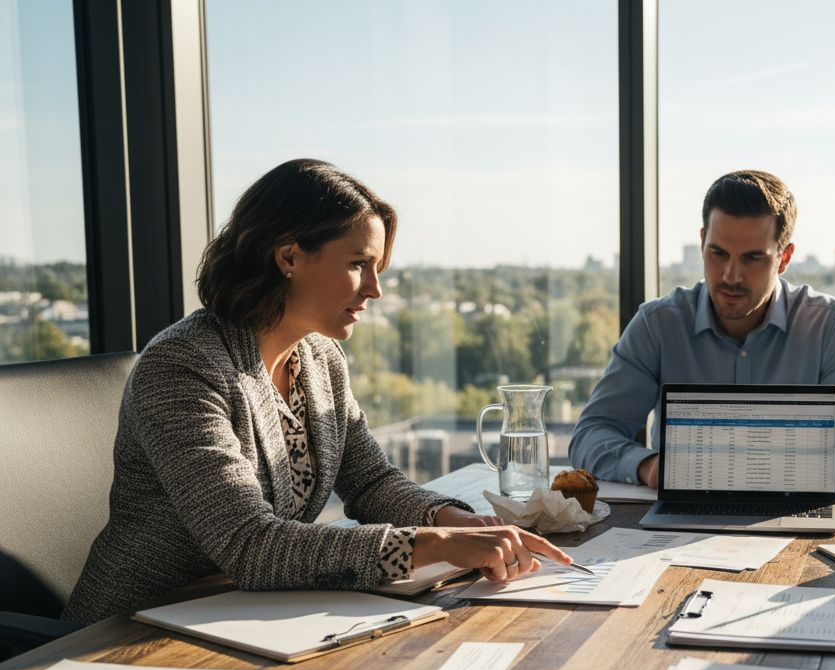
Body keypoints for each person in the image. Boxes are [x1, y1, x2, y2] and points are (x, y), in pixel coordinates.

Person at [65, 159, 570, 625]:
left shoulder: (319, 358)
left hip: (250, 618)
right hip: (128, 633)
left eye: (377, 269)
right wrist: (436, 543)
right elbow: (248, 544)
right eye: (358, 264)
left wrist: (464, 524)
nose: (374, 289)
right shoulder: (182, 366)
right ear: (288, 256)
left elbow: (370, 483)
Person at [569, 170, 835, 487]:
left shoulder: (829, 324)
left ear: (784, 258)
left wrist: (760, 466)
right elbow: (590, 434)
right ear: (702, 242)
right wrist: (650, 467)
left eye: (753, 258)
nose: (731, 275)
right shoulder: (657, 324)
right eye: (718, 253)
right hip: (683, 509)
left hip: (794, 502)